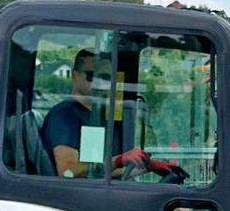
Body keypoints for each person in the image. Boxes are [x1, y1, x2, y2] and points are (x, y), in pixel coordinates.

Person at [41, 49, 157, 178]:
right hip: (75, 194)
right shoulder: (63, 115)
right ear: (75, 75)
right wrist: (117, 161)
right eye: (92, 76)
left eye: (106, 78)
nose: (99, 83)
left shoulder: (98, 116)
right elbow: (67, 171)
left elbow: (101, 171)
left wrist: (150, 167)